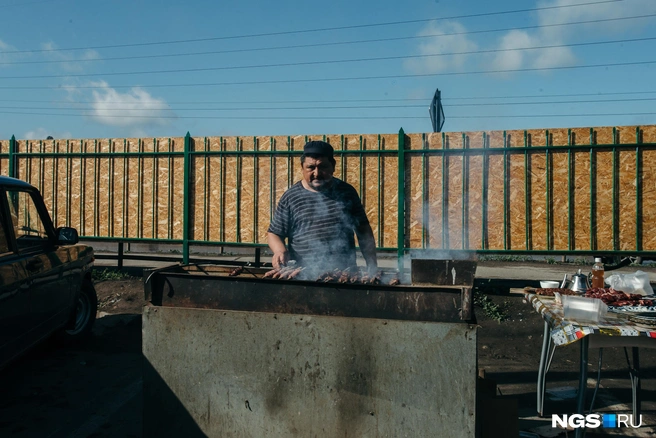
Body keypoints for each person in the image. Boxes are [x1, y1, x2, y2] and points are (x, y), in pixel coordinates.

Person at [267, 140, 378, 275]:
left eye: (323, 167)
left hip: (344, 274)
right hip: (302, 274)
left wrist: (372, 264)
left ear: (333, 166)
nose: (317, 173)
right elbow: (274, 233)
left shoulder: (346, 192)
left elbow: (363, 231)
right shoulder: (291, 197)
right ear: (302, 167)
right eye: (311, 167)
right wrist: (279, 250)